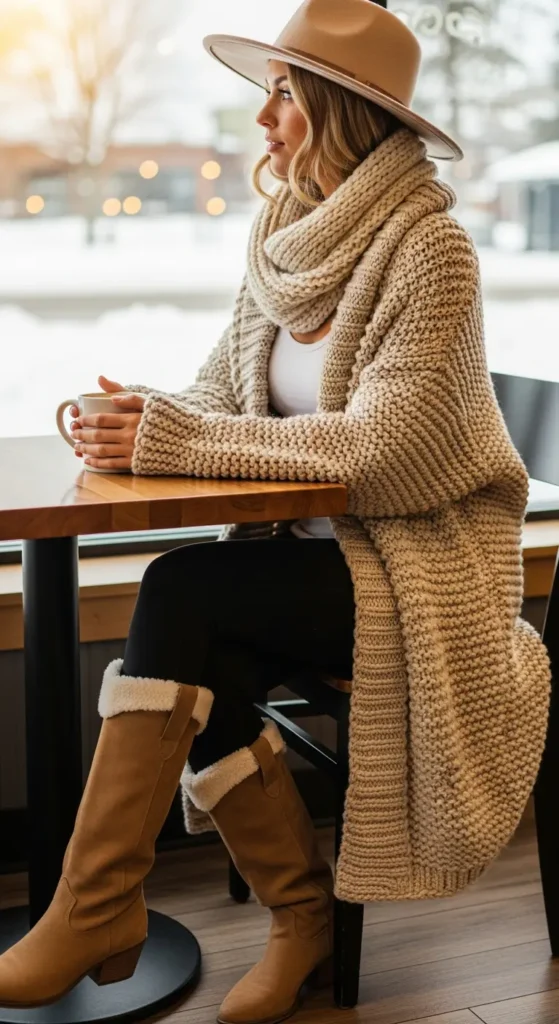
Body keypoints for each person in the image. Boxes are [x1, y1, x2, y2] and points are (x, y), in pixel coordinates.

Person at [0, 0, 552, 1021]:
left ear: (339, 109)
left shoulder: (429, 251)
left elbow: (393, 454)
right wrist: (144, 415)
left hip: (418, 569)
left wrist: (177, 440)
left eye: (284, 94)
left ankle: (94, 908)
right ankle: (289, 919)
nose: (263, 118)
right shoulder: (283, 236)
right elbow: (221, 395)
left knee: (184, 592)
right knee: (198, 637)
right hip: (311, 560)